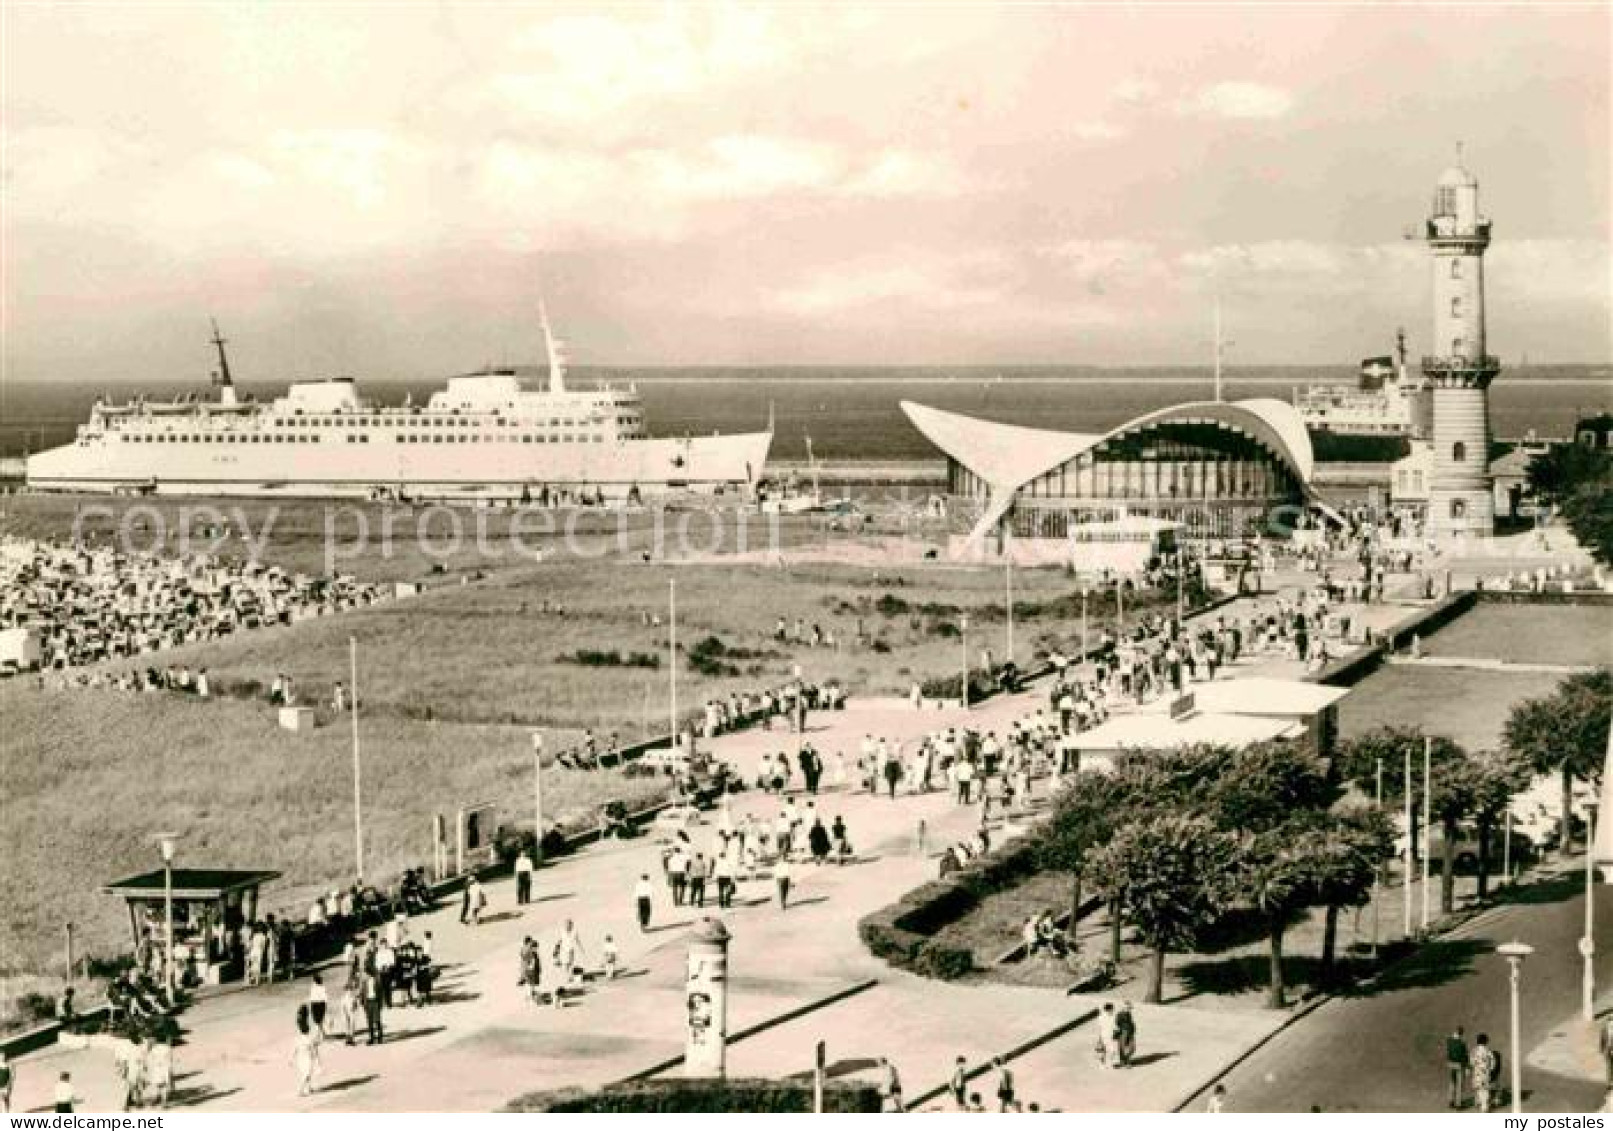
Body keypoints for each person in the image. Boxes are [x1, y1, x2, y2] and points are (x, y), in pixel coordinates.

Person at [292, 1010, 320, 1097]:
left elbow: (294, 1050)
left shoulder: (298, 1039)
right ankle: (300, 1090)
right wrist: (318, 1061)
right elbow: (314, 1050)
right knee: (307, 1074)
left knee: (307, 1073)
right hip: (308, 1059)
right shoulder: (309, 1039)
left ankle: (309, 1088)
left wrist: (291, 1059)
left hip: (300, 1059)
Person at [1470, 1033, 1498, 1113]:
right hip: (1485, 1072)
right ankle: (1484, 1106)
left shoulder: (1474, 1050)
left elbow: (1471, 1061)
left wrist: (1474, 1066)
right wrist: (1491, 1068)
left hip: (1477, 1071)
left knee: (1478, 1088)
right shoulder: (1487, 1050)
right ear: (1486, 1041)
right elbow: (1493, 1061)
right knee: (1485, 1089)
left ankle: (1480, 1102)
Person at [144, 1034, 173, 1109]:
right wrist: (170, 1070)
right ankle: (164, 1103)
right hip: (165, 1068)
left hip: (156, 1068)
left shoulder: (154, 1049)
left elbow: (150, 1060)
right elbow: (170, 1059)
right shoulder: (168, 1048)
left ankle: (155, 1100)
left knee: (157, 1085)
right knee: (164, 1086)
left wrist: (148, 1069)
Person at [1446, 1025, 1469, 1108]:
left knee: (1452, 1082)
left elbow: (1449, 1052)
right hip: (1460, 1064)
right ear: (1461, 1033)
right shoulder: (1462, 1042)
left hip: (1451, 1063)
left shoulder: (1449, 1040)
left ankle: (1450, 1101)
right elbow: (1465, 1055)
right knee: (1460, 1084)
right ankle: (1459, 1104)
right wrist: (1467, 1066)